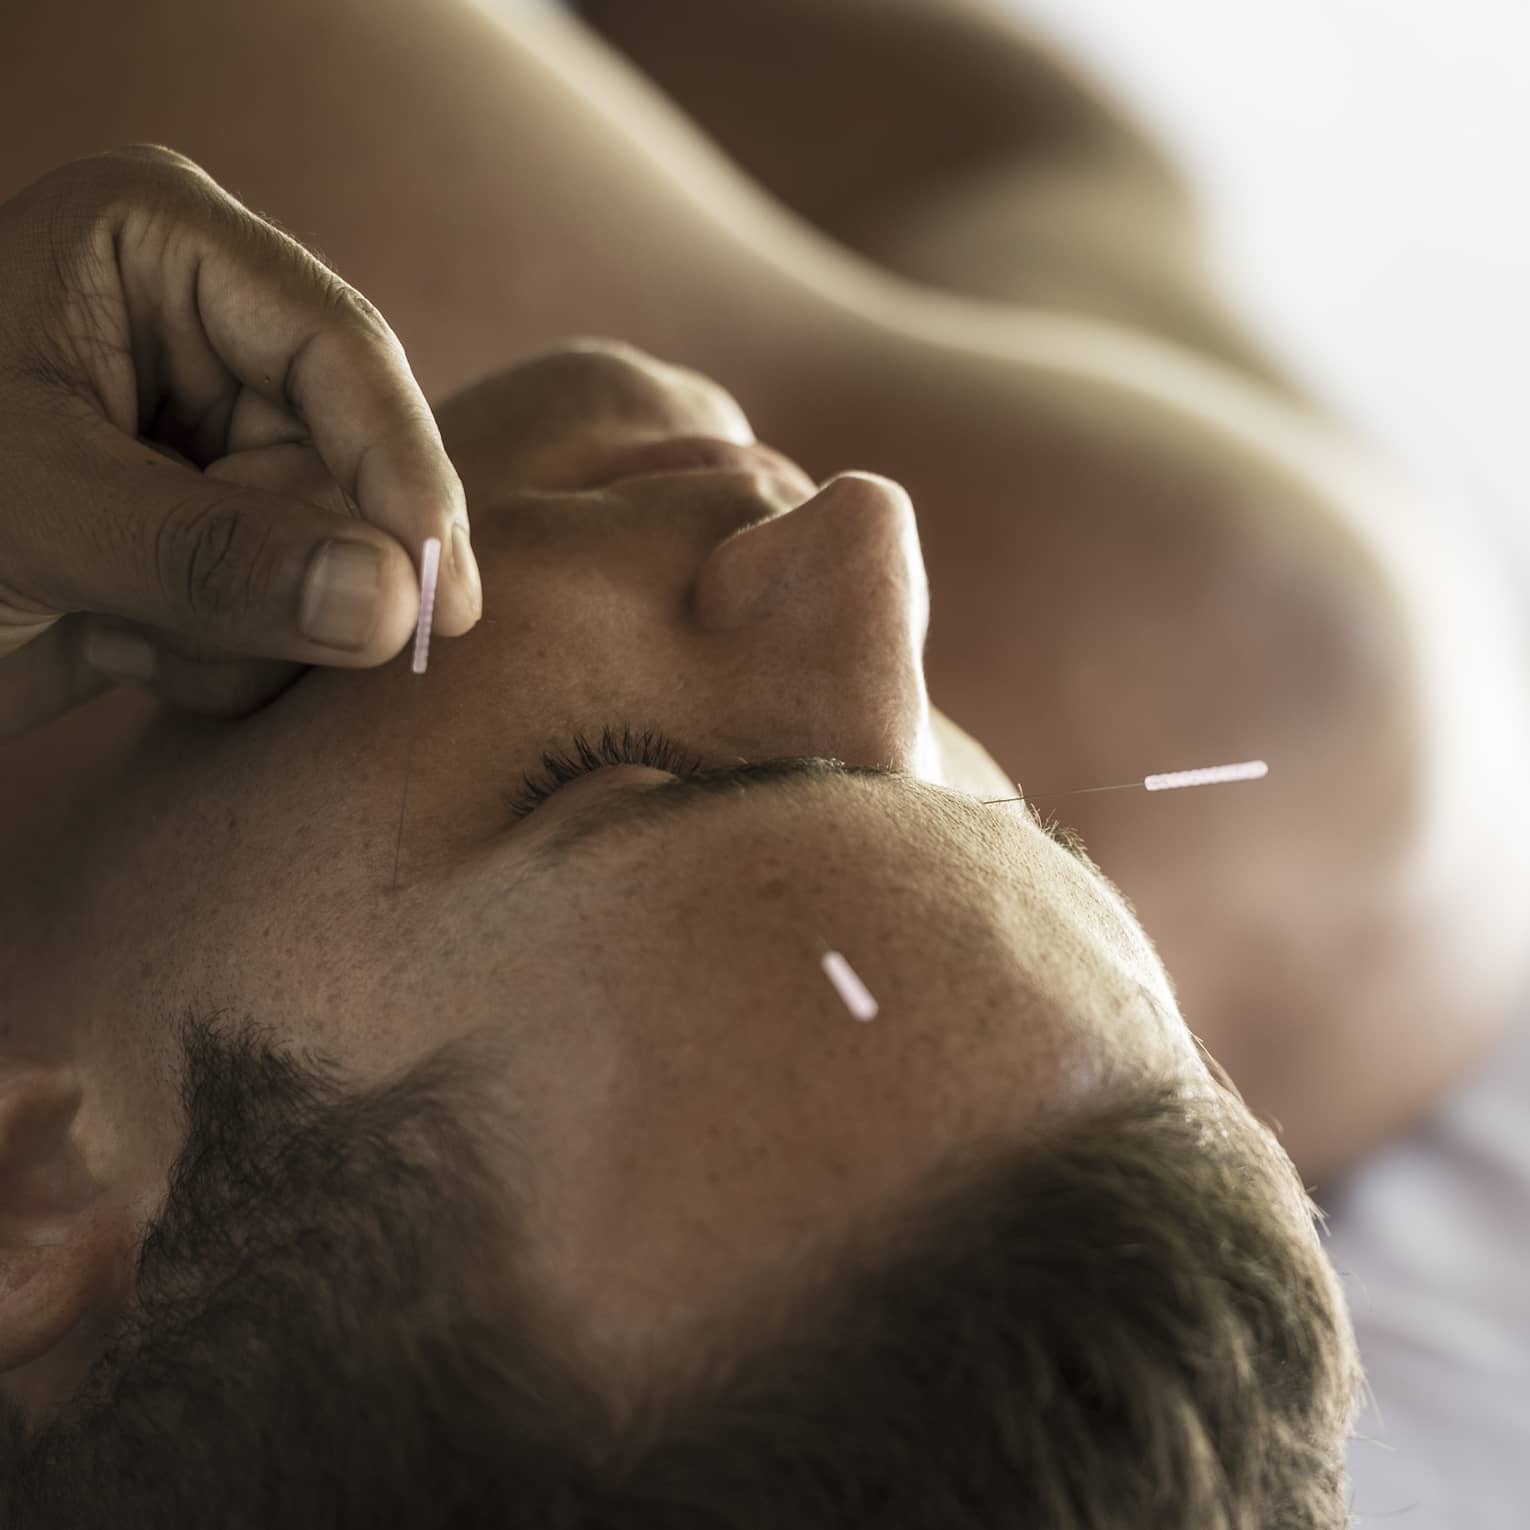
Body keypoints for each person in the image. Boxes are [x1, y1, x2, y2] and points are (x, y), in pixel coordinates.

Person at [1, 2, 1527, 1524]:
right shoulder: (1256, 704)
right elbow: (1000, 159)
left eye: (630, 779)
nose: (870, 547)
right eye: (1004, 818)